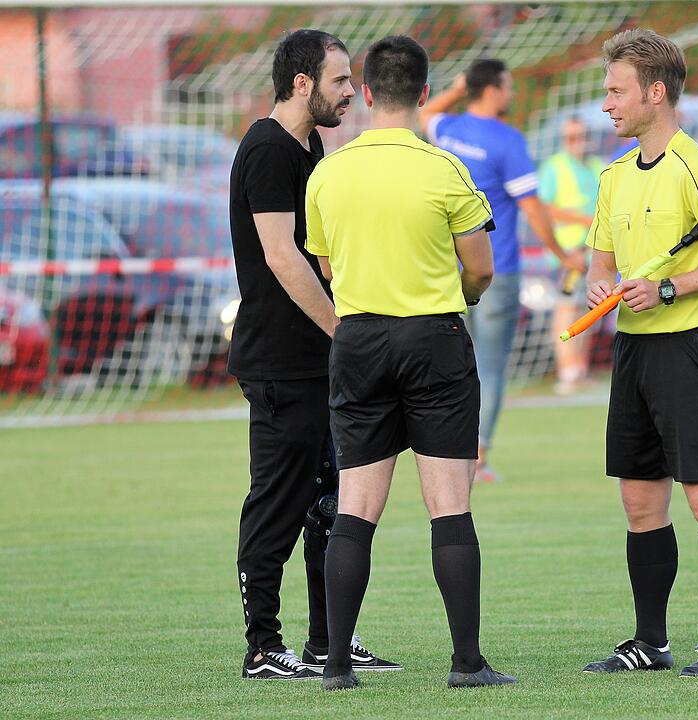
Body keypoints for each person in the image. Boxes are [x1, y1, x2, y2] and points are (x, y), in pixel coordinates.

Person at [305, 34, 515, 692]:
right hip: (434, 339)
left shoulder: (327, 172)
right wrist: (463, 296)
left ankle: (337, 664)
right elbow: (479, 266)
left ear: (365, 94)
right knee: (449, 505)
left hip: (360, 340)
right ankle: (466, 663)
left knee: (357, 506)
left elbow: (328, 265)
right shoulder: (444, 169)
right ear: (425, 94)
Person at [582, 28, 698, 678]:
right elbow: (597, 264)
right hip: (634, 356)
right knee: (639, 501)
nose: (607, 104)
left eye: (616, 91)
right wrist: (601, 285)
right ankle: (649, 643)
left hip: (692, 349)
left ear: (654, 93)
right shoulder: (613, 176)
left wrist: (667, 287)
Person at [228, 28, 398, 680]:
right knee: (279, 500)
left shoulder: (311, 145)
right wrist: (341, 330)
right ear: (302, 82)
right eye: (339, 81)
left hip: (319, 361)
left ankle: (331, 639)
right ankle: (263, 647)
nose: (351, 92)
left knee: (331, 501)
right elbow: (279, 254)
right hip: (281, 362)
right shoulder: (269, 149)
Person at [419, 59, 586, 482]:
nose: (511, 94)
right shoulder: (508, 141)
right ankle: (477, 460)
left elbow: (423, 114)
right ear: (492, 89)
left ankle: (444, 457)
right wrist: (565, 257)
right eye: (507, 86)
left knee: (449, 367)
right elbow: (533, 209)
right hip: (497, 271)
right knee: (488, 368)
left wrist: (457, 88)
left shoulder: (449, 129)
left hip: (444, 271)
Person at [537, 116, 605, 393]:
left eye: (581, 135)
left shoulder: (598, 167)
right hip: (567, 253)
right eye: (571, 137)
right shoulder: (554, 166)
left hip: (592, 252)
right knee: (565, 309)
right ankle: (567, 370)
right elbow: (545, 208)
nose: (577, 142)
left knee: (587, 308)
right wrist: (582, 220)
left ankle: (580, 368)